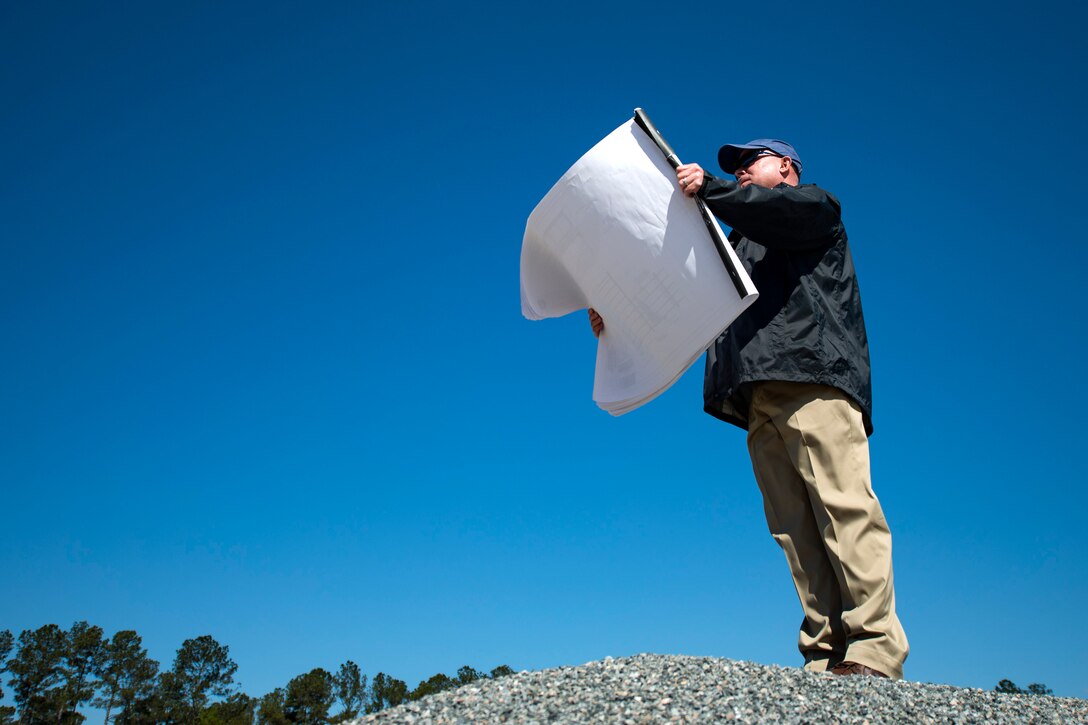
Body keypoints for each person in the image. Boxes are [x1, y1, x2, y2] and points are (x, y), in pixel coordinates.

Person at [588, 138, 908, 679]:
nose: (737, 171)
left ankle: (874, 646)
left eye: (747, 162)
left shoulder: (810, 206)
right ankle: (826, 652)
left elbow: (777, 213)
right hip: (756, 393)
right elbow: (682, 299)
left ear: (785, 166)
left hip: (811, 376)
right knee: (793, 528)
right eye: (731, 167)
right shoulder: (735, 241)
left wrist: (709, 191)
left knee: (842, 507)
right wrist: (617, 319)